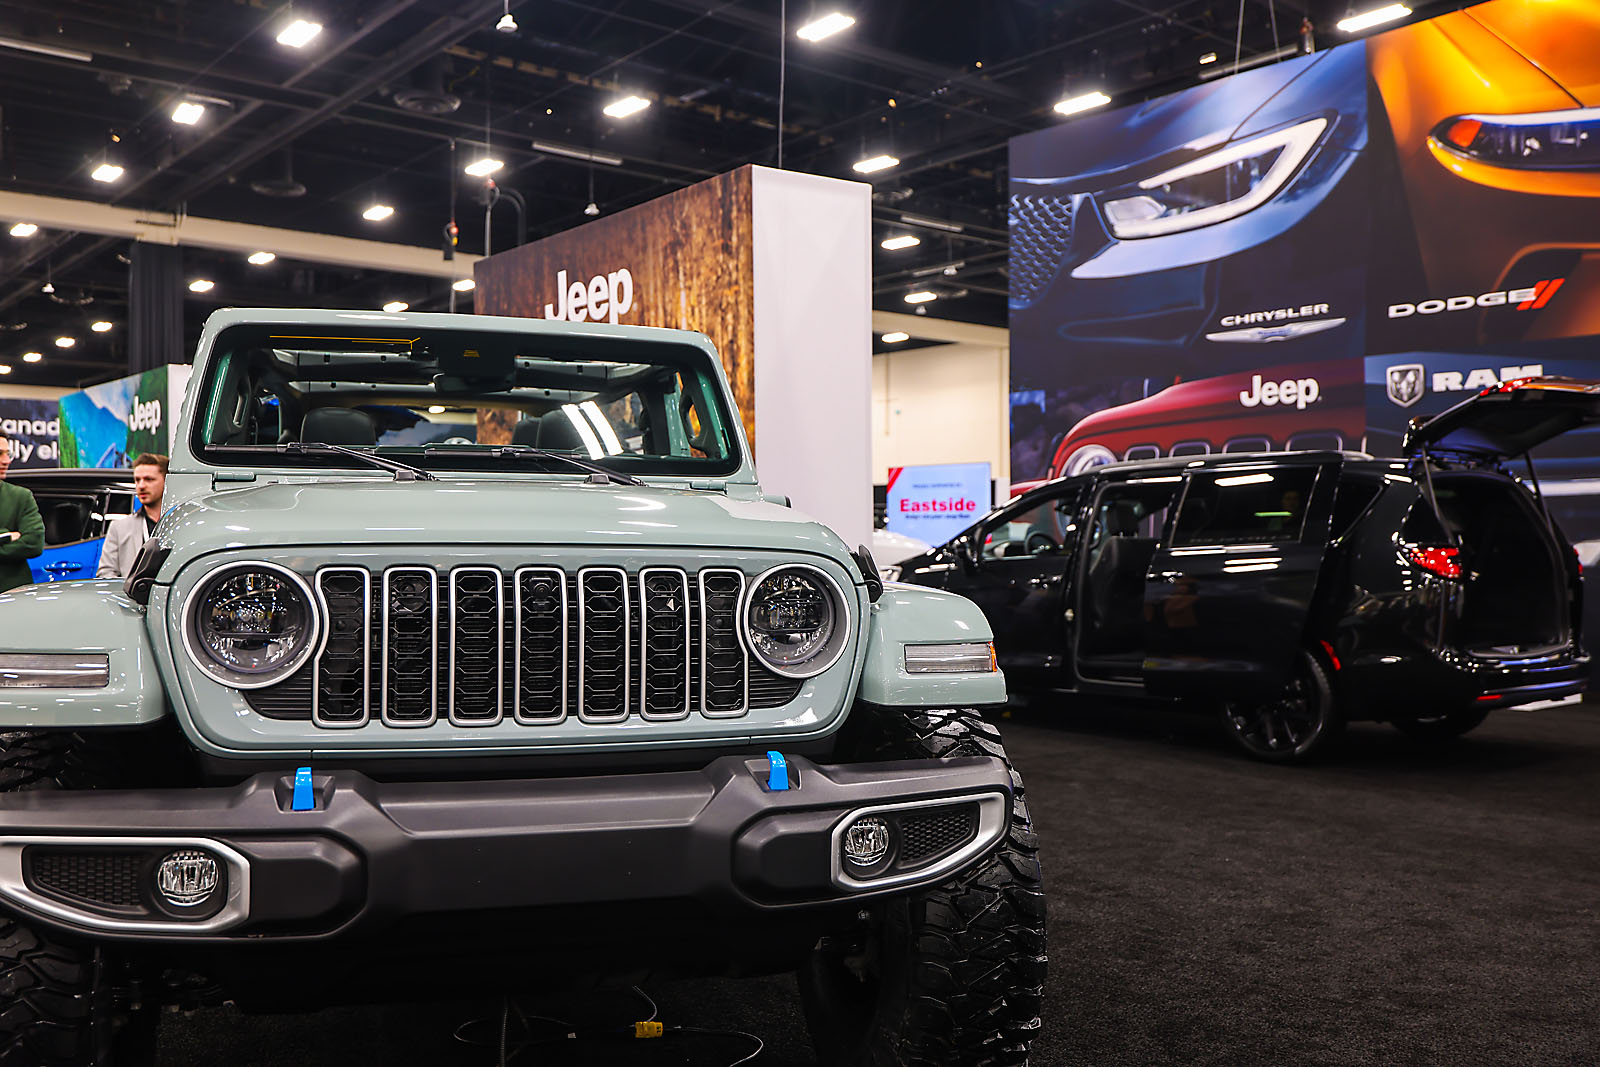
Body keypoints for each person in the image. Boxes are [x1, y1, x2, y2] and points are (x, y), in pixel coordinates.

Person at [97, 453, 167, 579]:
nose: (141, 486)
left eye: (149, 479)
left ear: (166, 481)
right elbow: (105, 573)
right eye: (137, 480)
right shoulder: (119, 527)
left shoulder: (180, 524)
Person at [0, 438, 45, 593]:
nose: (6, 461)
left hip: (13, 598)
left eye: (8, 454)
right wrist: (6, 536)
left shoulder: (21, 496)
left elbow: (34, 543)